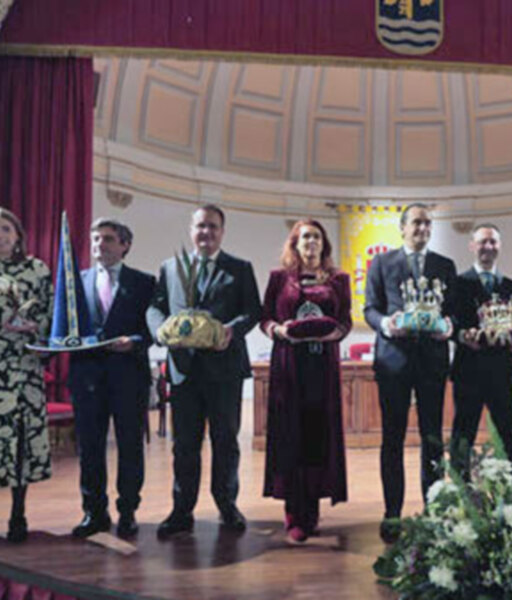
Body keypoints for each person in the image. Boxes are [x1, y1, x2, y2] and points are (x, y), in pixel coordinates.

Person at [147, 204, 261, 539]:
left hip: (224, 370)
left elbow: (253, 310)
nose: (206, 232)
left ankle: (227, 505)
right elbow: (156, 307)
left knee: (225, 442)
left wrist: (231, 330)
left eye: (212, 227)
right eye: (200, 226)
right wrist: (160, 329)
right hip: (183, 371)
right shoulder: (169, 268)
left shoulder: (239, 268)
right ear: (191, 230)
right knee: (184, 445)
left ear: (222, 232)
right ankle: (182, 511)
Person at [364, 203, 456, 543]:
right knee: (393, 438)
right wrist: (386, 324)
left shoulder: (444, 266)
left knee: (433, 438)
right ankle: (392, 512)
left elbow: (455, 312)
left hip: (432, 361)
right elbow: (369, 308)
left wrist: (449, 326)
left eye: (427, 223)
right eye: (416, 223)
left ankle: (434, 511)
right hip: (394, 362)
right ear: (402, 228)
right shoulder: (382, 262)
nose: (423, 228)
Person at [261, 220, 352, 543]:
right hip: (289, 366)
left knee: (316, 436)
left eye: (316, 236)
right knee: (290, 434)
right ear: (295, 244)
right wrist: (280, 331)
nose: (310, 242)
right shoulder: (279, 278)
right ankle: (292, 512)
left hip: (322, 367)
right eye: (304, 237)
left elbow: (345, 321)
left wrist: (334, 333)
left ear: (323, 243)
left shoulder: (339, 279)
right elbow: (266, 318)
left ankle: (311, 511)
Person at [68, 218, 155, 539]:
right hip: (86, 378)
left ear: (125, 245)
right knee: (90, 449)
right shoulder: (75, 281)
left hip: (129, 376)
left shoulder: (145, 283)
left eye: (107, 239)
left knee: (131, 447)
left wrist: (134, 341)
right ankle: (94, 512)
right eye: (95, 239)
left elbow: (154, 330)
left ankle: (128, 511)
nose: (99, 245)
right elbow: (65, 326)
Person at [449, 224, 512, 477]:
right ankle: (460, 490)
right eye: (482, 242)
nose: (488, 247)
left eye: (493, 242)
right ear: (472, 246)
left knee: (504, 432)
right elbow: (451, 322)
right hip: (468, 369)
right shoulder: (457, 283)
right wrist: (462, 335)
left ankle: (508, 488)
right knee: (462, 432)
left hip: (503, 370)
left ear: (499, 246)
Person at [0, 208, 54, 542]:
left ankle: (18, 514)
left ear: (18, 234)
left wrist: (38, 329)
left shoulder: (37, 269)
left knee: (20, 443)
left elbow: (52, 312)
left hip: (24, 368)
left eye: (6, 229)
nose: (1, 236)